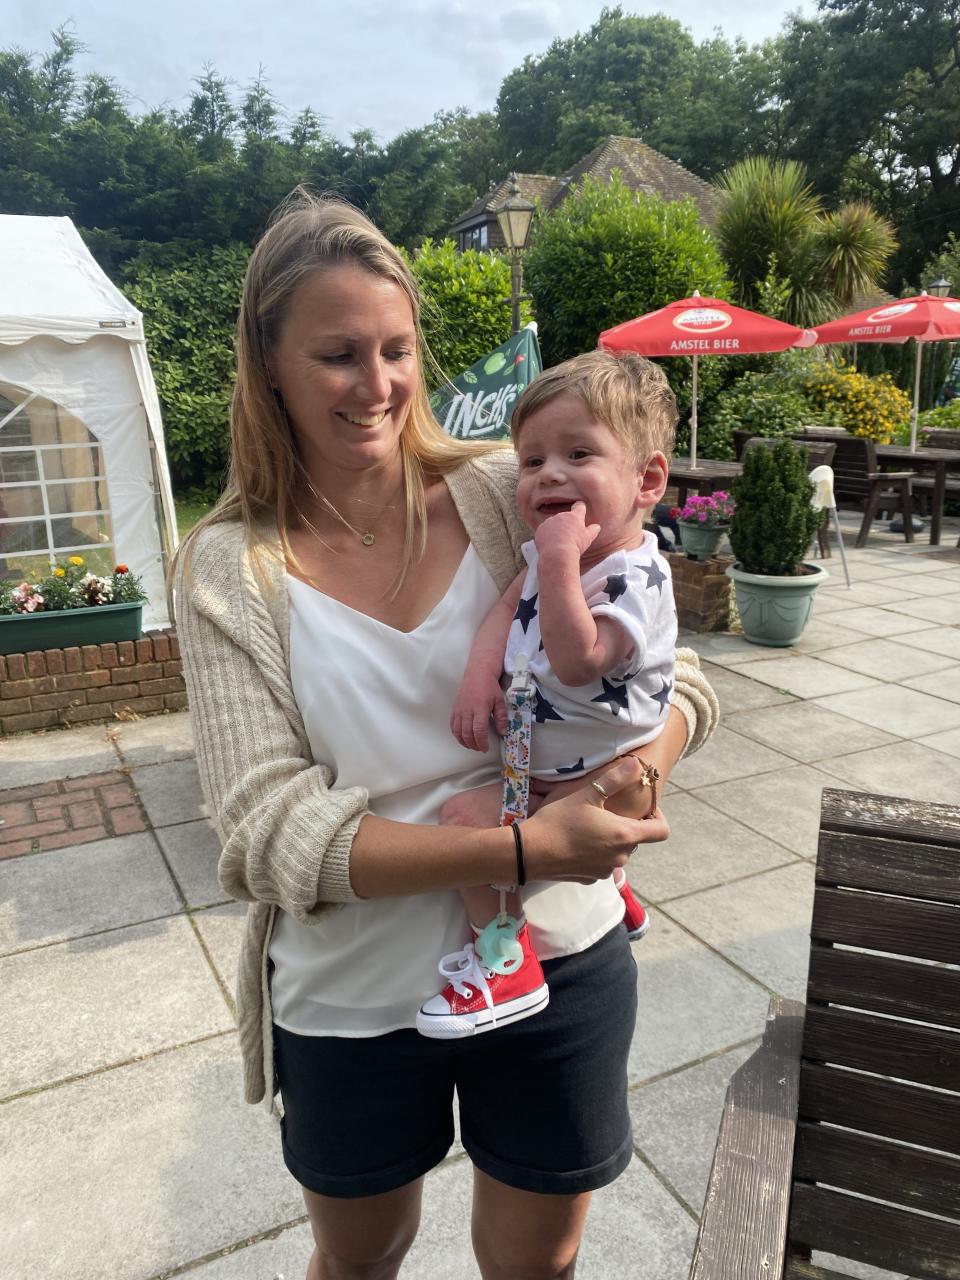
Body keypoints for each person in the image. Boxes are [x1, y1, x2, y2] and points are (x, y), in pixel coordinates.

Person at [174, 188, 718, 1280]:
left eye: (397, 349)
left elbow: (681, 669)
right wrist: (519, 850)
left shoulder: (499, 489)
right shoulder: (229, 567)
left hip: (557, 954)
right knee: (362, 1260)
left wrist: (632, 777)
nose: (376, 385)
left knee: (536, 1264)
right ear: (267, 363)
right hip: (352, 990)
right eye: (337, 354)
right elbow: (265, 833)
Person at [418, 351, 677, 1040]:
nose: (548, 474)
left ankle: (505, 959)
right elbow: (505, 609)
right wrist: (480, 677)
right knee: (482, 818)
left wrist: (561, 559)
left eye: (579, 452)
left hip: (605, 782)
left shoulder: (633, 578)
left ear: (646, 479)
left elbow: (579, 656)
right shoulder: (545, 558)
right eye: (531, 462)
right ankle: (617, 895)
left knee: (464, 823)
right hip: (553, 771)